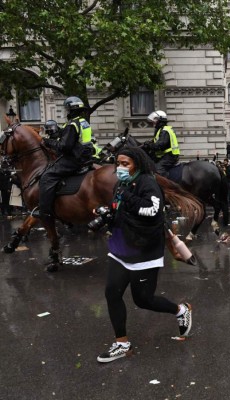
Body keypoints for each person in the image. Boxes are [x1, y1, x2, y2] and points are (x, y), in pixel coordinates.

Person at [97, 146, 192, 363]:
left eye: (125, 164)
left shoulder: (147, 182)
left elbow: (152, 211)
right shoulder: (121, 183)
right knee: (112, 293)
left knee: (143, 300)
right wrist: (107, 214)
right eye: (118, 163)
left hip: (143, 251)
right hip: (120, 248)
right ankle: (122, 344)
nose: (120, 168)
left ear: (136, 164)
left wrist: (128, 196)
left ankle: (180, 310)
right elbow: (120, 208)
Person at [39, 96, 95, 220]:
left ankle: (45, 212)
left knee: (47, 177)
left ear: (70, 110)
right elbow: (69, 135)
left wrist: (47, 142)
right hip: (85, 156)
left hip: (75, 158)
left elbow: (65, 147)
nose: (66, 112)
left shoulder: (72, 124)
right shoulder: (82, 121)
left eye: (67, 109)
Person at [143, 110, 180, 177]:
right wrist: (147, 144)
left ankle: (164, 186)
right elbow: (155, 142)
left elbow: (160, 145)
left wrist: (149, 145)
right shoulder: (160, 130)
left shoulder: (165, 130)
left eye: (154, 121)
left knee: (158, 170)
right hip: (164, 155)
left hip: (170, 156)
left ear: (159, 120)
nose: (152, 123)